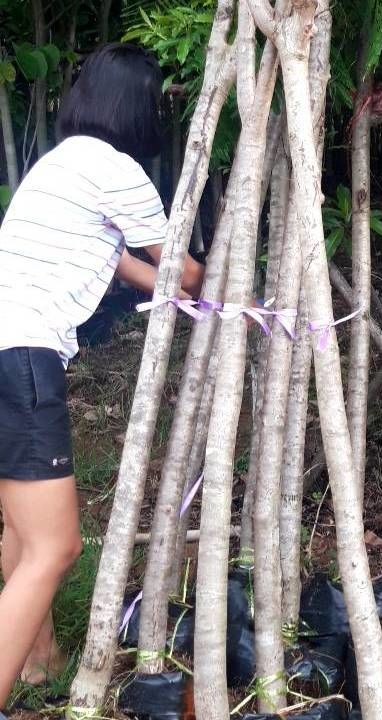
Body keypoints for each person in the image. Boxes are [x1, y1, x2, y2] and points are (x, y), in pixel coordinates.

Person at [0, 43, 204, 708]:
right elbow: (181, 271)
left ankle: (38, 662)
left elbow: (127, 266)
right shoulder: (117, 171)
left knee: (23, 532)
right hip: (23, 358)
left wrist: (187, 293)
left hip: (5, 349)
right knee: (56, 547)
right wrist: (210, 283)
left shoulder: (61, 167)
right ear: (141, 108)